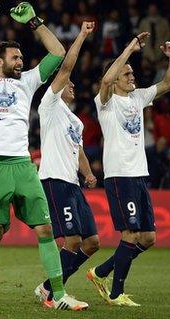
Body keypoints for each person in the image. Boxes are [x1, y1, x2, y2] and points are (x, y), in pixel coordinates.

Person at [0, 0, 88, 310]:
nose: (21, 61)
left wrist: (34, 21)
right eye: (15, 57)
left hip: (23, 166)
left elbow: (58, 53)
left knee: (46, 229)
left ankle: (59, 294)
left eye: (22, 57)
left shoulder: (29, 80)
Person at [87, 34, 170, 306]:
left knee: (148, 237)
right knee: (130, 235)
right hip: (119, 175)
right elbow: (105, 80)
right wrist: (129, 48)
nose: (131, 76)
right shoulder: (105, 102)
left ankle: (100, 272)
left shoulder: (138, 98)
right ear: (115, 79)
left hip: (139, 174)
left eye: (131, 72)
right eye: (126, 73)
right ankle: (116, 294)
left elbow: (169, 83)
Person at [34, 21, 101, 306]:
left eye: (72, 84)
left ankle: (48, 286)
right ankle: (53, 293)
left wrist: (87, 173)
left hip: (73, 185)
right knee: (71, 241)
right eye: (68, 83)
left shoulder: (75, 120)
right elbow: (66, 68)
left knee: (92, 242)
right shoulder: (48, 106)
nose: (72, 85)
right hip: (54, 180)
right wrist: (82, 35)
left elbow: (80, 150)